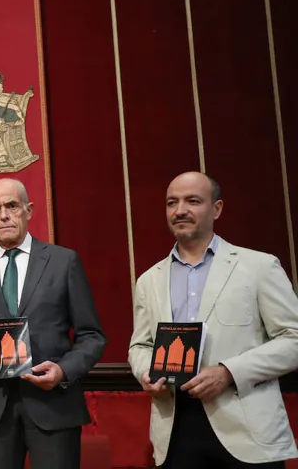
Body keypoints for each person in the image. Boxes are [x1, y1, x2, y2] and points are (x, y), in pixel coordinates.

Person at [128, 172, 298, 468]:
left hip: (247, 431)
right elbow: (140, 346)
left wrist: (229, 372)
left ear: (217, 209)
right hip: (175, 429)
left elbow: (293, 339)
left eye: (192, 201)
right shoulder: (148, 280)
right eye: (172, 203)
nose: (180, 210)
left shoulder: (259, 266)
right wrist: (147, 373)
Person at [0, 178, 106, 469]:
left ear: (28, 210)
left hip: (53, 406)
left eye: (12, 206)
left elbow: (92, 335)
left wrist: (63, 371)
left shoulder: (64, 262)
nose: (4, 215)